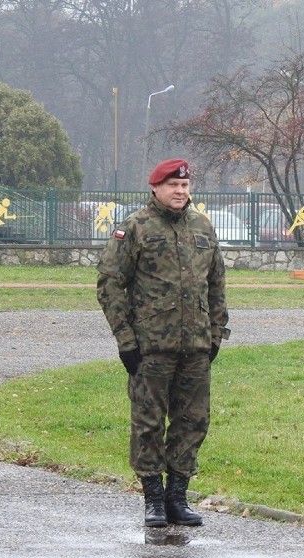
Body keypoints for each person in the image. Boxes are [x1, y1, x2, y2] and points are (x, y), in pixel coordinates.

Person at [97, 158, 230, 528]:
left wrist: (216, 332)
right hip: (151, 346)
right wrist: (126, 340)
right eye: (173, 185)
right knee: (148, 422)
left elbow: (216, 283)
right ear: (155, 188)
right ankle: (153, 498)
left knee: (192, 422)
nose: (180, 192)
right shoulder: (136, 227)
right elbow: (110, 284)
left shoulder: (202, 226)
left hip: (196, 346)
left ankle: (178, 497)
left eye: (185, 186)